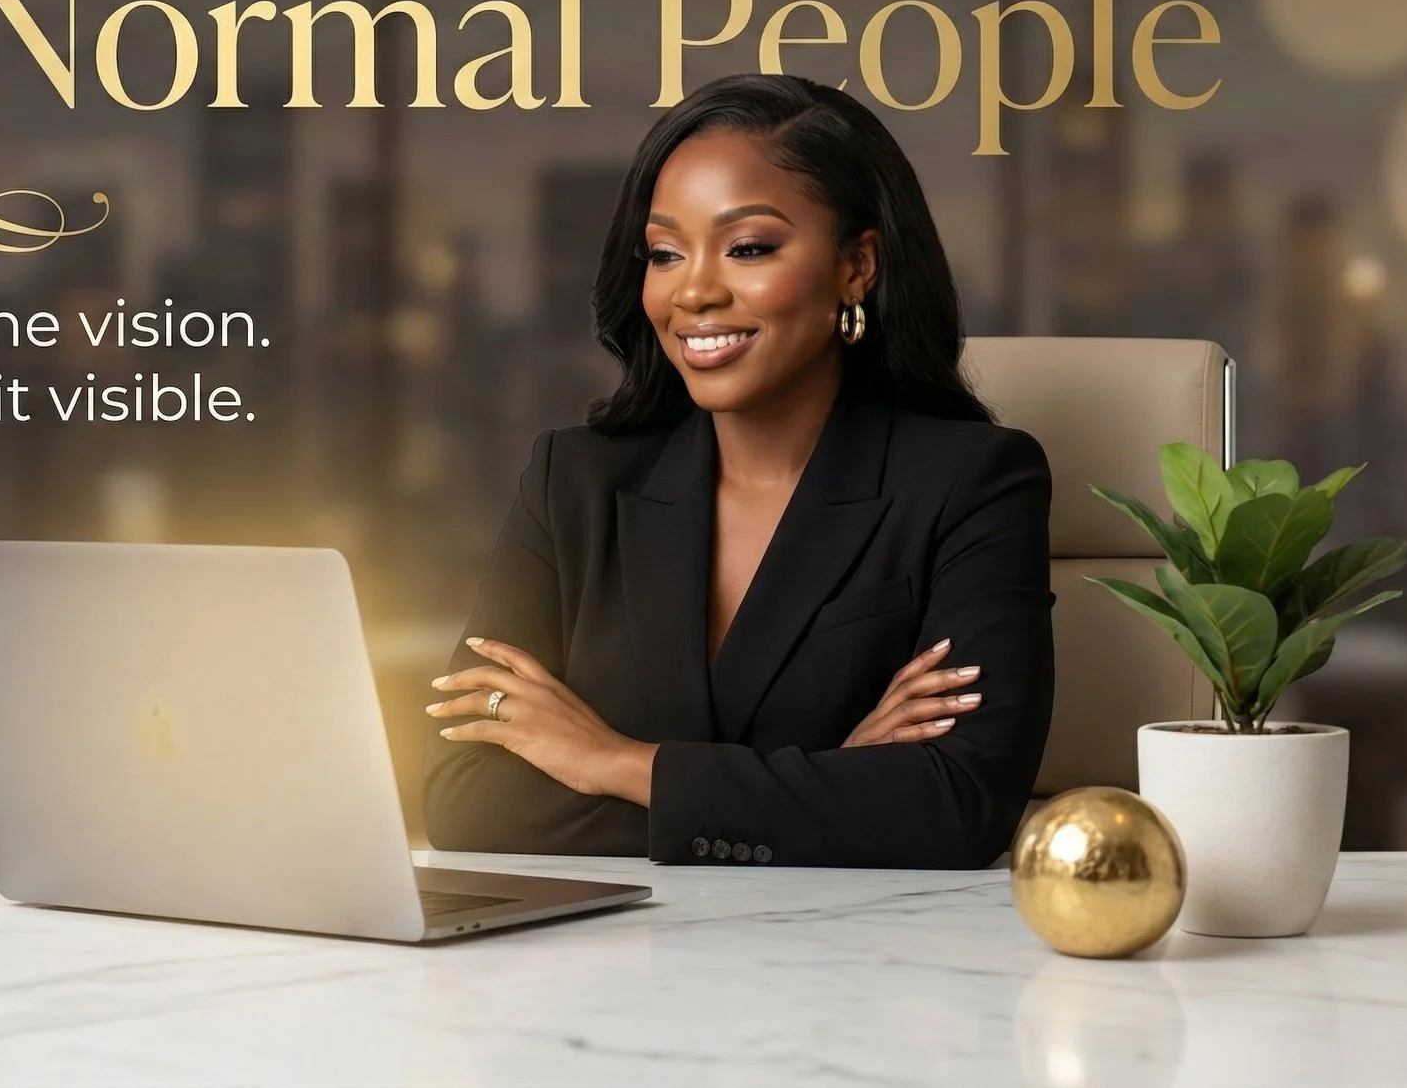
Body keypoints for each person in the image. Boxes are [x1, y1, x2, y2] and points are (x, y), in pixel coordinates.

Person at [421, 73, 1053, 869]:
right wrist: (837, 785)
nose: (694, 291)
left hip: (859, 975)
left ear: (858, 265)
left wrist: (613, 761)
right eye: (664, 252)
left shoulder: (973, 482)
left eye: (749, 248)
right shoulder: (572, 482)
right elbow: (463, 797)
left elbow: (958, 808)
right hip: (598, 969)